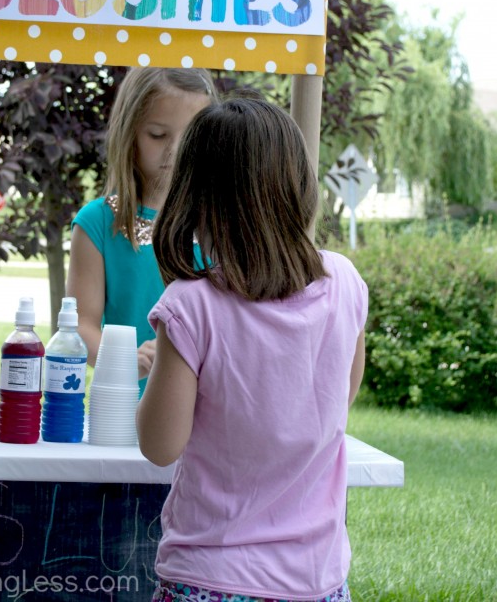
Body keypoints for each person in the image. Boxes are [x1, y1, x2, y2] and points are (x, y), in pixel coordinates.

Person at [137, 97, 368, 602]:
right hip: (319, 581)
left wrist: (167, 367)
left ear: (195, 196)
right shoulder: (346, 283)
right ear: (298, 187)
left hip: (211, 578)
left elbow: (159, 446)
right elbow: (337, 399)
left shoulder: (190, 307)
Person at [66, 68, 216, 392]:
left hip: (210, 417)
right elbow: (80, 324)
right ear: (129, 131)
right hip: (122, 411)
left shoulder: (221, 222)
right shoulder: (98, 222)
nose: (175, 150)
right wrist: (122, 358)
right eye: (158, 135)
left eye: (190, 136)